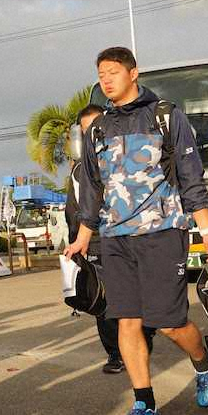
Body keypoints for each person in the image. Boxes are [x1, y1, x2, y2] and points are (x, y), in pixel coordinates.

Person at [65, 47, 208, 415]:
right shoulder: (98, 128)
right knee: (127, 321)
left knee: (169, 322)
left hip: (163, 232)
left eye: (114, 72)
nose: (106, 79)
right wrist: (84, 235)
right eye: (101, 73)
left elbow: (190, 175)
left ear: (134, 73)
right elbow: (92, 186)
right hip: (115, 238)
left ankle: (204, 362)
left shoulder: (165, 117)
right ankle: (144, 403)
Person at [66, 104, 156, 374]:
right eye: (86, 132)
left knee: (139, 298)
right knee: (104, 303)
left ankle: (144, 339)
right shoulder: (79, 170)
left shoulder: (129, 160)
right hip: (95, 243)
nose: (93, 135)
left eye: (97, 128)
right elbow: (75, 208)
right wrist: (76, 242)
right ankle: (116, 354)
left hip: (131, 238)